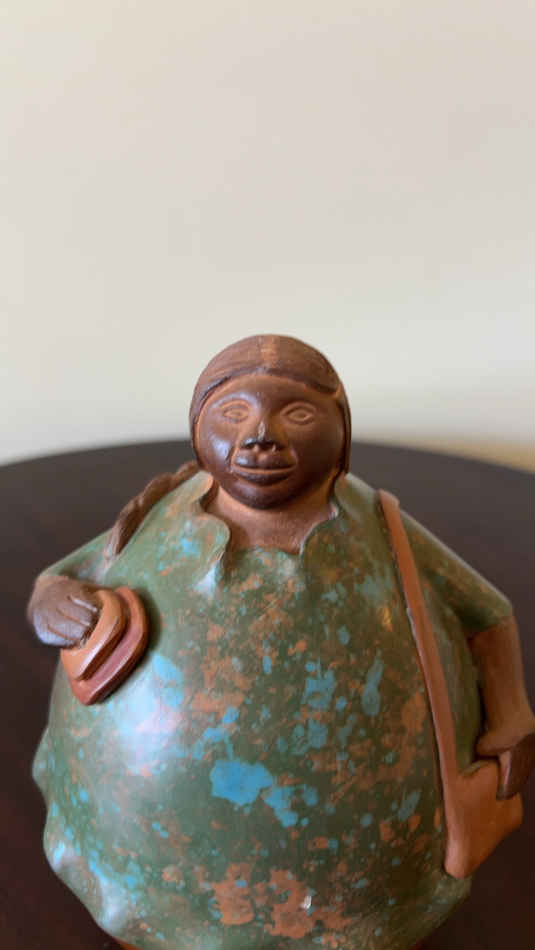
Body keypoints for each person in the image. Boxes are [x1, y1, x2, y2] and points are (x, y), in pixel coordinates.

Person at [28, 335, 535, 950]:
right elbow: (61, 577)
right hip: (146, 854)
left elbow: (488, 611)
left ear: (341, 432)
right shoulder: (161, 517)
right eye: (233, 412)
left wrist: (511, 714)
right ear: (198, 429)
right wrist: (53, 599)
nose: (261, 436)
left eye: (297, 413)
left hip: (359, 870)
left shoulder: (380, 526)